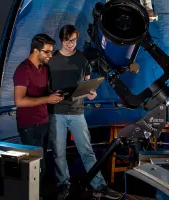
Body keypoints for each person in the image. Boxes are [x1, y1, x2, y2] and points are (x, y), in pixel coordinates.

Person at [48, 25, 121, 200]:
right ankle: (63, 184)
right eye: (67, 41)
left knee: (87, 151)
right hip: (56, 112)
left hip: (77, 112)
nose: (71, 44)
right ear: (61, 40)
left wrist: (91, 93)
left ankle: (99, 185)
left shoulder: (82, 60)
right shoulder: (51, 60)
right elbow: (44, 85)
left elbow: (87, 85)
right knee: (58, 152)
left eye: (74, 40)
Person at [13, 33, 64, 199]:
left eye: (51, 52)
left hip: (43, 121)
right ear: (35, 50)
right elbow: (19, 101)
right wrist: (47, 99)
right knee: (34, 167)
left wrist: (54, 95)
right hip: (29, 125)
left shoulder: (44, 69)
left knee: (41, 166)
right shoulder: (23, 70)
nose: (50, 55)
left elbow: (44, 92)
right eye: (47, 52)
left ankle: (37, 195)